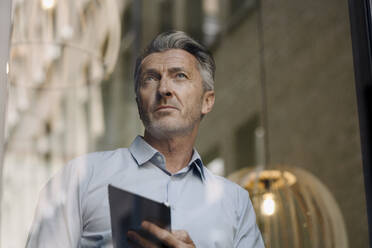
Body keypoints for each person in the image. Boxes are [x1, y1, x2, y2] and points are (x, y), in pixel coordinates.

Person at [26, 31, 265, 248]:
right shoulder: (81, 178)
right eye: (150, 78)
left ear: (207, 101)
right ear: (139, 102)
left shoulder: (235, 202)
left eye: (179, 76)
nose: (164, 89)